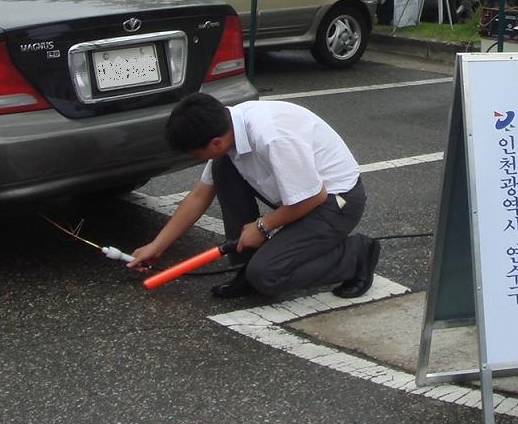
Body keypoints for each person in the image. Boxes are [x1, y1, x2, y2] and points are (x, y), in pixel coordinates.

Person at [129, 94, 380, 301]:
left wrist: (262, 226)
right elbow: (199, 195)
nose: (197, 159)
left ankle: (356, 256)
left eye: (197, 154)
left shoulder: (271, 136)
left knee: (267, 275)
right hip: (297, 196)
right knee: (222, 169)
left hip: (335, 202)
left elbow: (314, 196)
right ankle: (245, 268)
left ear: (215, 142)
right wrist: (157, 246)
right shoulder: (228, 128)